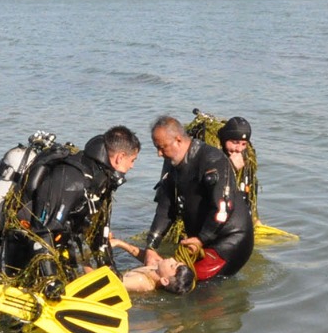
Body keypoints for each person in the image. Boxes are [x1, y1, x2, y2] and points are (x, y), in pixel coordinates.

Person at [0, 125, 140, 283]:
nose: (132, 166)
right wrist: (51, 281)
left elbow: (100, 234)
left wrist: (111, 270)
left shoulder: (101, 180)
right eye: (132, 160)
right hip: (25, 246)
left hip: (59, 246)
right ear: (120, 157)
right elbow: (42, 231)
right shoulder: (73, 179)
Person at [145, 114, 253, 282]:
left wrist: (201, 239)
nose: (159, 154)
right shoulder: (172, 164)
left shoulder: (212, 160)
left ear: (178, 140)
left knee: (187, 286)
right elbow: (166, 207)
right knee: (168, 279)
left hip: (230, 240)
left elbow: (223, 207)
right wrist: (151, 245)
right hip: (204, 239)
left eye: (162, 147)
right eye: (156, 148)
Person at [109, 236, 196, 295]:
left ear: (165, 281)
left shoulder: (141, 282)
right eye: (176, 261)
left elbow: (111, 284)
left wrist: (105, 256)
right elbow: (145, 256)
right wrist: (118, 242)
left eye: (172, 265)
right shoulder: (158, 268)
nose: (171, 259)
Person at [215, 116, 258, 224]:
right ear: (225, 139)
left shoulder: (247, 157)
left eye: (243, 144)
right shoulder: (211, 154)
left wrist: (255, 219)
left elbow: (251, 195)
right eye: (235, 142)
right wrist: (229, 166)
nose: (239, 149)